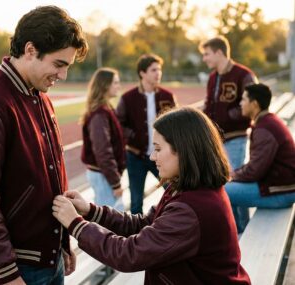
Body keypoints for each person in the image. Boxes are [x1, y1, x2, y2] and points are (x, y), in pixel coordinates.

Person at [0, 6, 88, 285]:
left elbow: (48, 177)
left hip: (47, 260)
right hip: (15, 270)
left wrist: (61, 244)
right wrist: (6, 272)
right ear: (30, 50)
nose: (62, 75)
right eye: (59, 64)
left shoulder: (39, 95)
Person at [52, 107, 251, 285]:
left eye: (157, 149)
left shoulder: (191, 209)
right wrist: (91, 211)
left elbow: (128, 254)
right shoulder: (187, 188)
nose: (152, 156)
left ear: (183, 150)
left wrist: (76, 224)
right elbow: (145, 224)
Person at [225, 83, 295, 233]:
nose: (240, 103)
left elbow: (254, 172)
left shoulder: (265, 128)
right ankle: (239, 230)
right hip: (280, 187)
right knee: (230, 186)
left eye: (243, 99)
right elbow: (254, 168)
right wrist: (233, 175)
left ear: (254, 104)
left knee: (221, 191)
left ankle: (236, 234)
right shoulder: (268, 122)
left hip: (280, 192)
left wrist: (231, 176)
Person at [116, 53, 177, 214]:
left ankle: (170, 225)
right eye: (153, 70)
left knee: (173, 192)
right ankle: (137, 237)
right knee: (136, 201)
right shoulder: (128, 98)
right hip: (136, 157)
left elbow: (178, 123)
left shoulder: (167, 96)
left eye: (159, 69)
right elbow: (118, 124)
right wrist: (133, 136)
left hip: (162, 155)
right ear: (142, 73)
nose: (158, 73)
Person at [199, 35, 258, 169]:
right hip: (214, 140)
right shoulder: (212, 77)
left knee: (231, 182)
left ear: (219, 53)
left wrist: (228, 116)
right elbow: (209, 103)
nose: (204, 59)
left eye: (207, 54)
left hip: (235, 139)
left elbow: (255, 103)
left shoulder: (244, 75)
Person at [80, 68, 126, 211]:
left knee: (110, 217)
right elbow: (103, 151)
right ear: (105, 85)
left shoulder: (106, 108)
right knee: (112, 221)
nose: (119, 86)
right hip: (103, 175)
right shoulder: (100, 114)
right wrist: (115, 183)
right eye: (116, 83)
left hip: (104, 174)